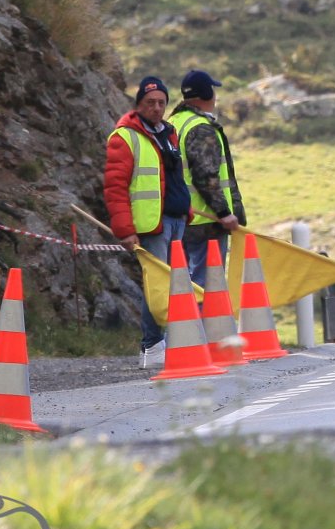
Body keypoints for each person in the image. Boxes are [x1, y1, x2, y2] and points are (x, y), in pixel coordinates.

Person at [104, 76, 192, 368]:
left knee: (174, 285)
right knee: (156, 286)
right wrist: (125, 230)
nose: (156, 108)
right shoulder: (124, 137)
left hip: (177, 219)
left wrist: (187, 209)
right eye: (150, 102)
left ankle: (172, 343)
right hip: (152, 224)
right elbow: (115, 188)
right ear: (139, 104)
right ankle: (152, 345)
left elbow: (174, 178)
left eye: (161, 103)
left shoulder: (169, 133)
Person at [168, 69, 246, 289]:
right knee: (208, 286)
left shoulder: (173, 122)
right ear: (207, 95)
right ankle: (204, 314)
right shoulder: (201, 128)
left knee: (182, 285)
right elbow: (205, 176)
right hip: (205, 221)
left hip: (179, 217)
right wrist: (224, 213)